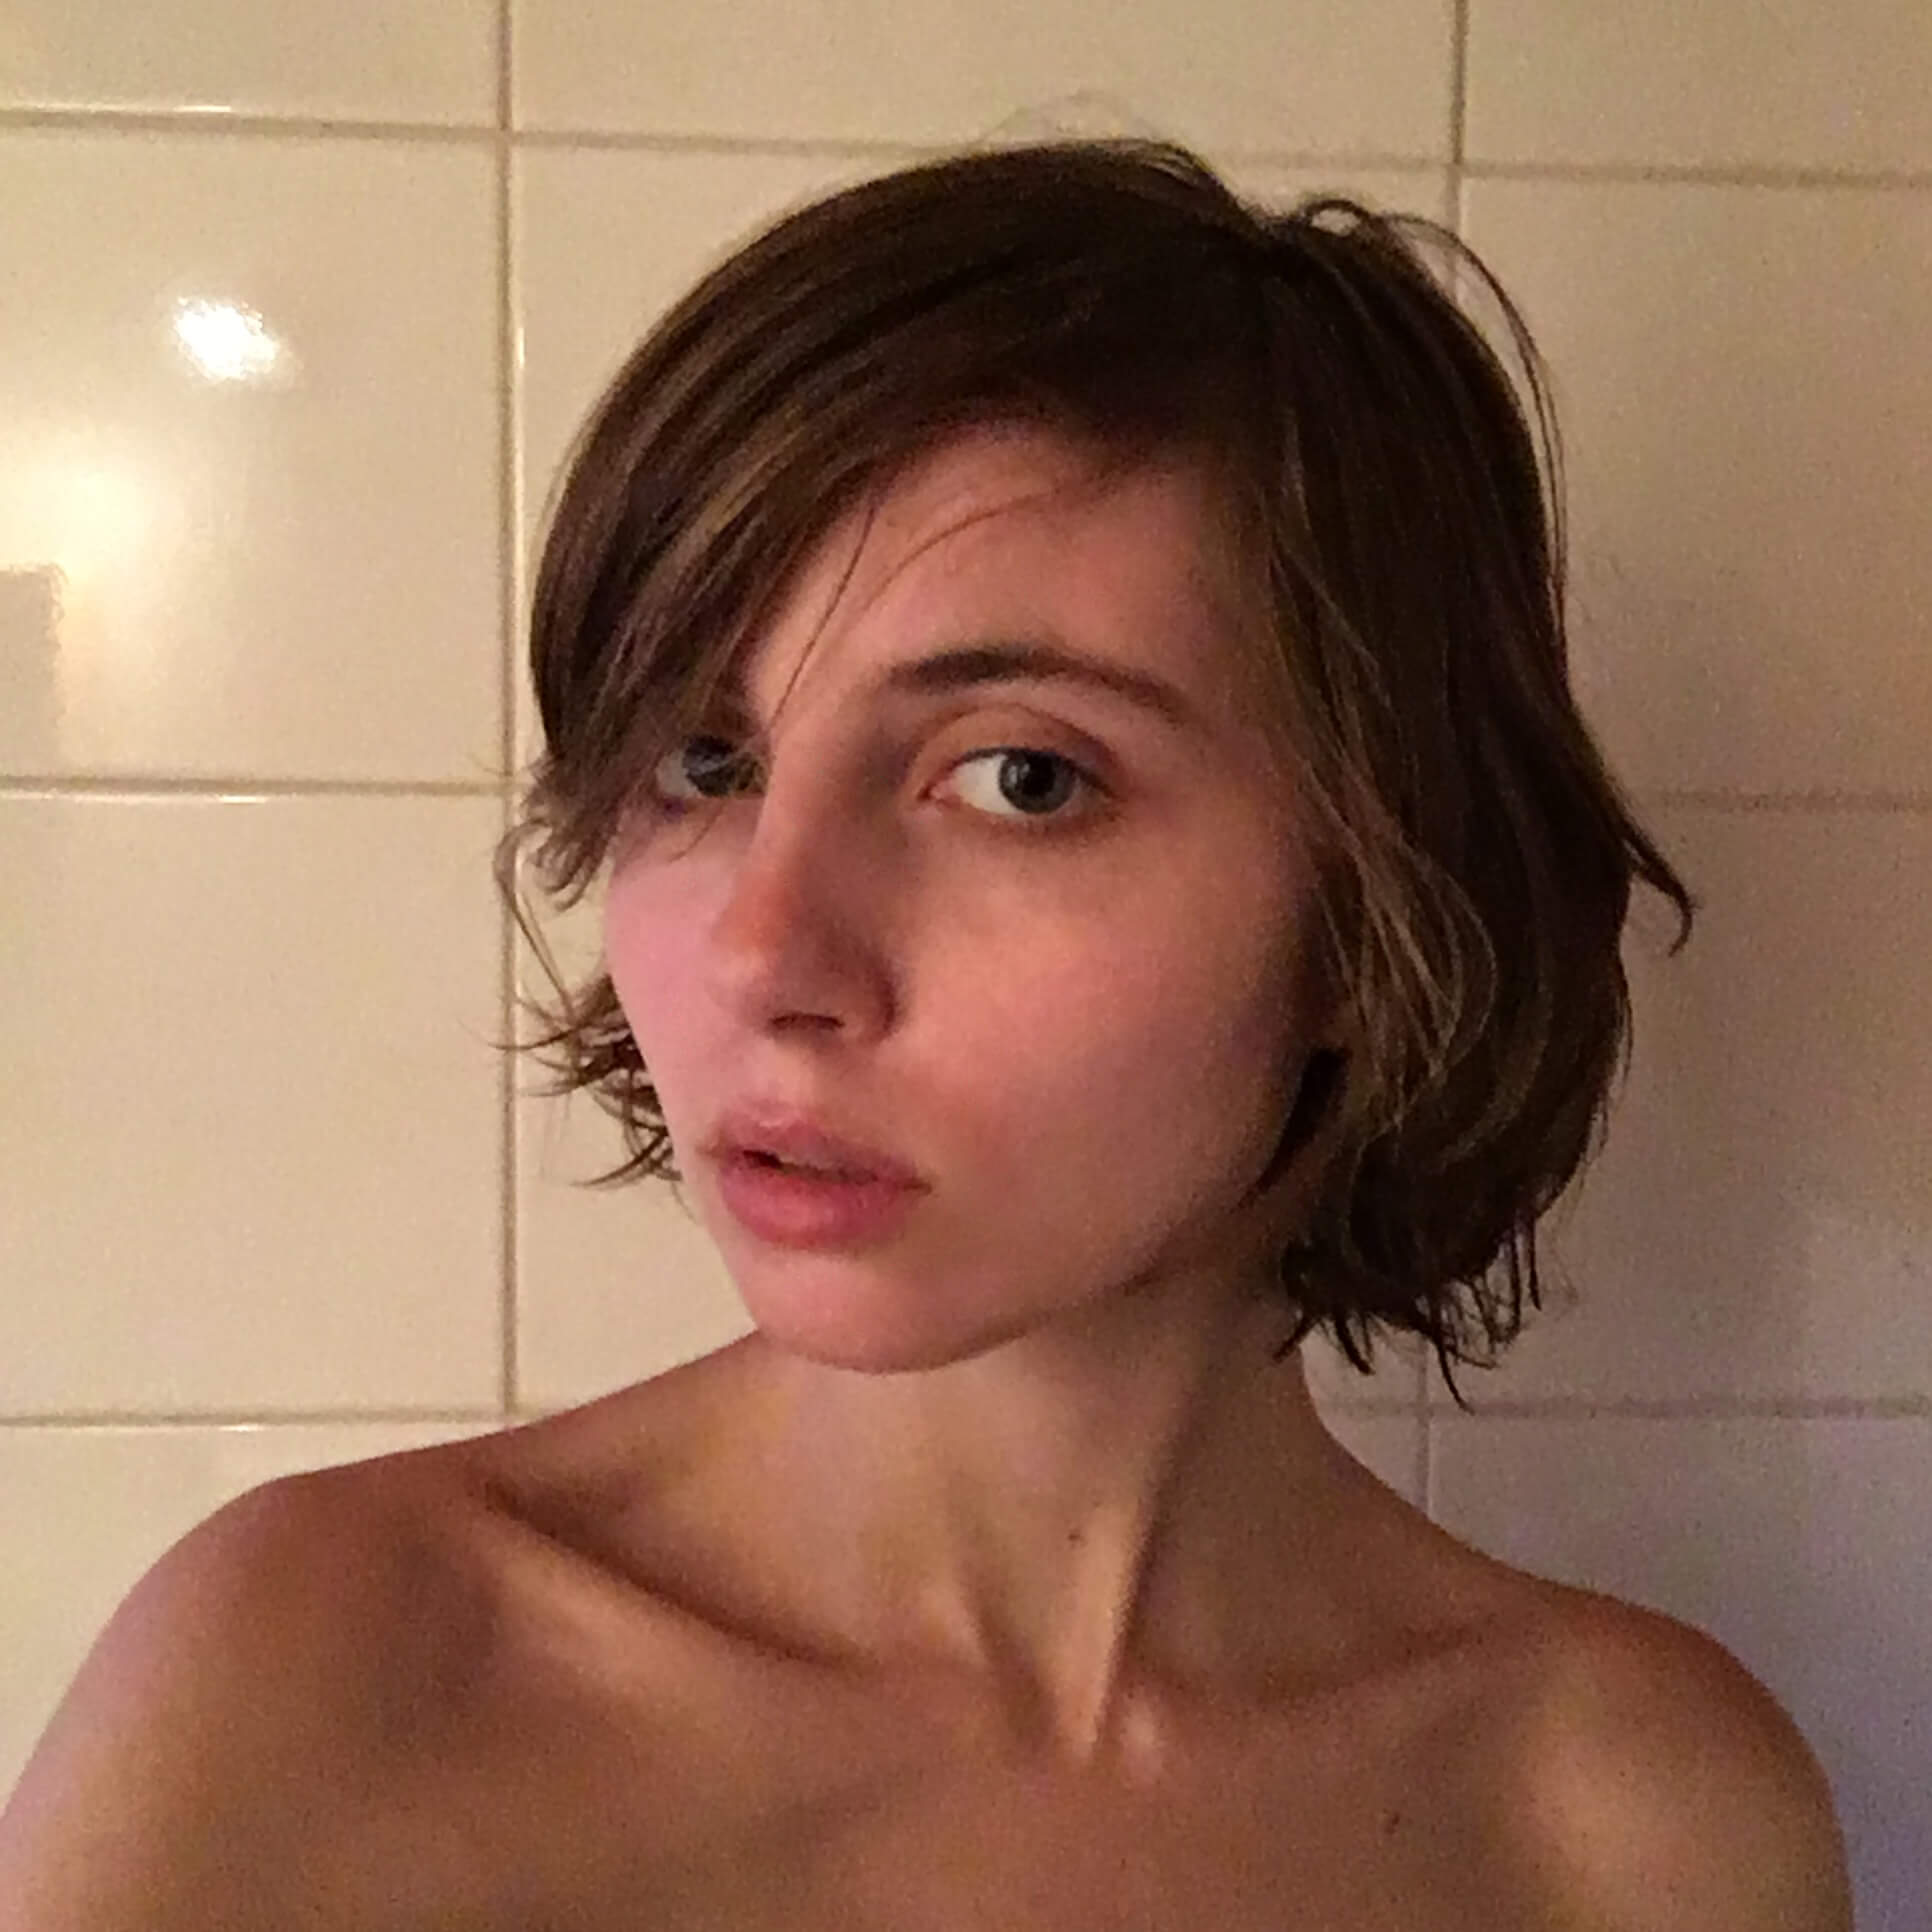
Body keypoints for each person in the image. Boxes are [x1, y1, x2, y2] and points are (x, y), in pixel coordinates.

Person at [0, 139, 1852, 1929]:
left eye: (1022, 777)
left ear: (1381, 912)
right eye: (703, 762)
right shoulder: (316, 1687)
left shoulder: (1627, 1827)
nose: (764, 953)